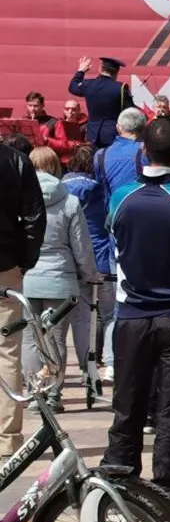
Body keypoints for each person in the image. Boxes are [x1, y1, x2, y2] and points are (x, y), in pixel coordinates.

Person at [103, 115, 170, 498]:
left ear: (143, 149)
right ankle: (165, 494)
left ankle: (117, 485)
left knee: (127, 407)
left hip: (131, 317)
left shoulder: (121, 197)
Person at [20, 147, 99, 412]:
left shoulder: (19, 198)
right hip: (61, 278)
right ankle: (53, 394)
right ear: (56, 167)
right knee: (55, 337)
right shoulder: (69, 200)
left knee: (31, 338)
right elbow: (81, 246)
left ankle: (34, 392)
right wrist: (90, 274)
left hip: (27, 277)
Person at [0, 140, 45, 447]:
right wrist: (23, 261)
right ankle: (7, 438)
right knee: (7, 351)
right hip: (5, 264)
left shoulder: (18, 161)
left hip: (8, 261)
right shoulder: (15, 161)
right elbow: (33, 219)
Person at [61, 145, 113, 384]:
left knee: (70, 320)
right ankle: (98, 366)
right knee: (106, 315)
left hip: (68, 260)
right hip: (99, 255)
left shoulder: (60, 190)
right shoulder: (100, 190)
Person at [69, 57, 134, 149]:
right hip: (113, 135)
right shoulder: (120, 88)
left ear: (100, 69)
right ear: (116, 73)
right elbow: (130, 111)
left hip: (92, 135)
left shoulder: (89, 85)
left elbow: (73, 87)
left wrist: (81, 71)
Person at [97, 109, 147, 196]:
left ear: (118, 127)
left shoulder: (100, 154)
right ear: (143, 128)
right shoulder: (147, 151)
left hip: (112, 208)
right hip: (142, 205)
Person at [46, 100, 89, 164]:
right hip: (59, 160)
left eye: (73, 110)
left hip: (76, 161)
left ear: (79, 111)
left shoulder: (85, 126)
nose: (70, 112)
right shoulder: (57, 123)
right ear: (64, 110)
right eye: (67, 109)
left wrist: (48, 141)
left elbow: (85, 146)